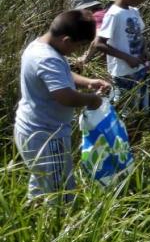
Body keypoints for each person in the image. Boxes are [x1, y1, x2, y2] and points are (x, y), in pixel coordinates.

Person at [14, 10, 110, 203]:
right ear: (66, 40)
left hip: (31, 129)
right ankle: (57, 228)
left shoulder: (40, 46)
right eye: (79, 45)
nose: (77, 51)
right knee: (61, 193)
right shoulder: (47, 58)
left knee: (42, 184)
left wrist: (87, 82)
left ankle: (36, 220)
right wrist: (92, 100)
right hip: (47, 136)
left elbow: (60, 76)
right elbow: (64, 96)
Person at [95, 0, 150, 116]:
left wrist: (145, 52)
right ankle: (120, 133)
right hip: (122, 72)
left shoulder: (134, 11)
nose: (142, 0)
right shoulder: (113, 14)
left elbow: (139, 35)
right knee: (123, 108)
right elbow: (99, 44)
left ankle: (138, 130)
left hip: (139, 68)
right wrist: (127, 58)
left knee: (141, 103)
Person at [68, 0, 106, 68]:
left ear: (85, 9)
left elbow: (98, 39)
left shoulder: (97, 17)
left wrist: (85, 58)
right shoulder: (104, 14)